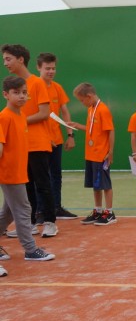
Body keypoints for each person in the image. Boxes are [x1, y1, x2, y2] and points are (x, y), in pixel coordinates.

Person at [0, 75, 56, 272]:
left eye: (24, 92)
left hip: (19, 172)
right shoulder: (4, 117)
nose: (22, 96)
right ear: (6, 95)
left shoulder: (21, 116)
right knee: (24, 210)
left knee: (8, 213)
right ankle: (30, 250)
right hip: (9, 174)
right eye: (16, 93)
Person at [1, 44, 58, 238]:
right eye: (4, 59)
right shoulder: (13, 87)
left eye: (8, 59)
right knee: (26, 186)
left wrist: (20, 121)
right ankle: (30, 224)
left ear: (20, 60)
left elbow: (44, 113)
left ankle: (50, 222)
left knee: (42, 184)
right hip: (21, 145)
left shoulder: (37, 83)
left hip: (38, 143)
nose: (5, 63)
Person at [36, 53, 78, 220]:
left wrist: (70, 134)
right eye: (47, 68)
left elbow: (65, 111)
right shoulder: (34, 87)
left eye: (53, 68)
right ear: (39, 68)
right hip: (40, 142)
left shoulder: (57, 87)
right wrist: (44, 138)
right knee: (41, 178)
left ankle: (56, 208)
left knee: (56, 175)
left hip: (57, 140)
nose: (51, 71)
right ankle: (40, 211)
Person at [68, 83, 116, 225]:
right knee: (96, 185)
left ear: (89, 96)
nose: (82, 103)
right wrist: (77, 125)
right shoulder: (91, 109)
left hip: (101, 155)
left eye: (82, 100)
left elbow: (110, 131)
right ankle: (98, 211)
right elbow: (92, 129)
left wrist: (110, 152)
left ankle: (110, 213)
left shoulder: (103, 110)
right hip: (91, 155)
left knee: (105, 184)